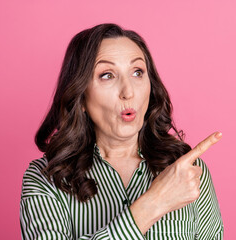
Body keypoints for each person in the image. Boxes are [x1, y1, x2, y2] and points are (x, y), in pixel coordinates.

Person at [20, 23, 224, 239]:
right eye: (107, 75)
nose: (128, 92)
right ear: (80, 96)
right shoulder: (45, 178)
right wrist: (153, 204)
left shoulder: (188, 171)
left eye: (137, 72)